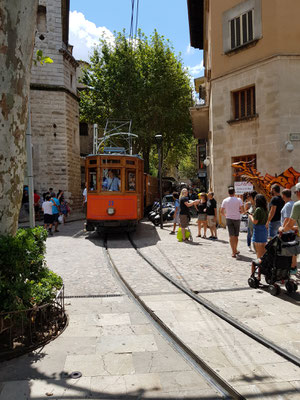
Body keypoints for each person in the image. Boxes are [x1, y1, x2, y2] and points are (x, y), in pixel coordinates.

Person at [220, 187, 244, 257]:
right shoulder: (238, 200)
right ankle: (235, 249)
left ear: (228, 193)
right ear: (234, 192)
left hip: (229, 218)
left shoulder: (225, 200)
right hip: (237, 218)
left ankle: (233, 251)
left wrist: (226, 215)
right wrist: (239, 212)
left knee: (231, 235)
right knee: (236, 236)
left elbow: (221, 211)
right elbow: (242, 210)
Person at [280, 188, 297, 272]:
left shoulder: (287, 205)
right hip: (293, 230)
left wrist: (282, 229)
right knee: (293, 250)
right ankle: (294, 267)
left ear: (283, 195)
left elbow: (286, 219)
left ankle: (290, 267)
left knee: (287, 251)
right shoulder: (293, 203)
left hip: (287, 231)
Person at [249, 194, 268, 259]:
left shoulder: (258, 209)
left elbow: (255, 221)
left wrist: (250, 216)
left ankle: (259, 266)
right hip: (264, 229)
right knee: (263, 250)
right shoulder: (265, 209)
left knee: (258, 252)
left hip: (258, 230)